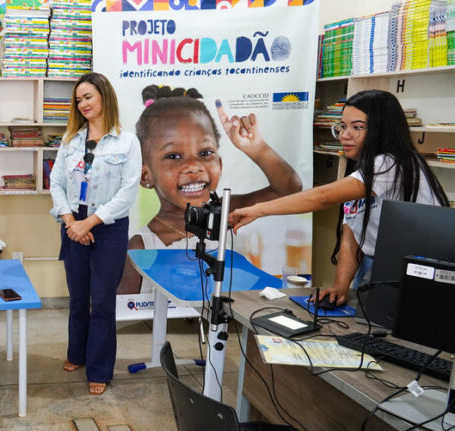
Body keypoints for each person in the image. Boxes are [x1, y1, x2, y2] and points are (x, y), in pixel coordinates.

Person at [228, 89, 450, 306]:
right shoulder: (361, 171)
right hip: (378, 266)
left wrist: (258, 210)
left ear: (382, 130)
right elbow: (351, 233)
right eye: (343, 126)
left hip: (415, 272)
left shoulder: (391, 164)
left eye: (358, 127)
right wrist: (340, 286)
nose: (345, 134)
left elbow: (322, 197)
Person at [117, 85, 302, 294]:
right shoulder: (141, 247)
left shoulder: (227, 212)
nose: (194, 166)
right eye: (173, 156)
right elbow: (126, 313)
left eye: (205, 152)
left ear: (220, 164)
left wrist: (257, 148)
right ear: (145, 175)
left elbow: (289, 191)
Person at [49, 72, 142, 395]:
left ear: (104, 96)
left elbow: (128, 192)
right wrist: (71, 220)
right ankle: (77, 353)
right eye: (78, 100)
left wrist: (89, 224)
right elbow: (56, 183)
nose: (83, 104)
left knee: (102, 301)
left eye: (88, 96)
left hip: (109, 230)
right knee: (77, 297)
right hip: (73, 223)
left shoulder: (127, 142)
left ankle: (100, 368)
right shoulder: (70, 140)